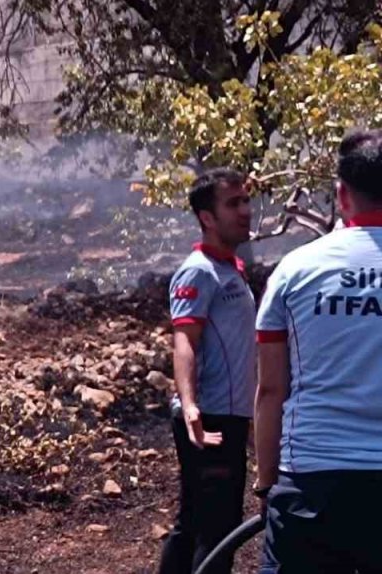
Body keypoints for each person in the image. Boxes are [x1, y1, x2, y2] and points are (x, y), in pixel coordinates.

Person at [255, 130, 382, 573]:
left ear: (342, 194)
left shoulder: (296, 270)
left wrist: (266, 485)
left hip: (313, 484)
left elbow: (271, 389)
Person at [158, 168, 256, 574]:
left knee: (197, 522)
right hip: (210, 416)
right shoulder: (198, 271)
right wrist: (191, 405)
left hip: (227, 414)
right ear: (207, 218)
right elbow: (184, 341)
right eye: (233, 204)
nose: (246, 211)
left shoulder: (229, 268)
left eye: (246, 200)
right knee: (216, 531)